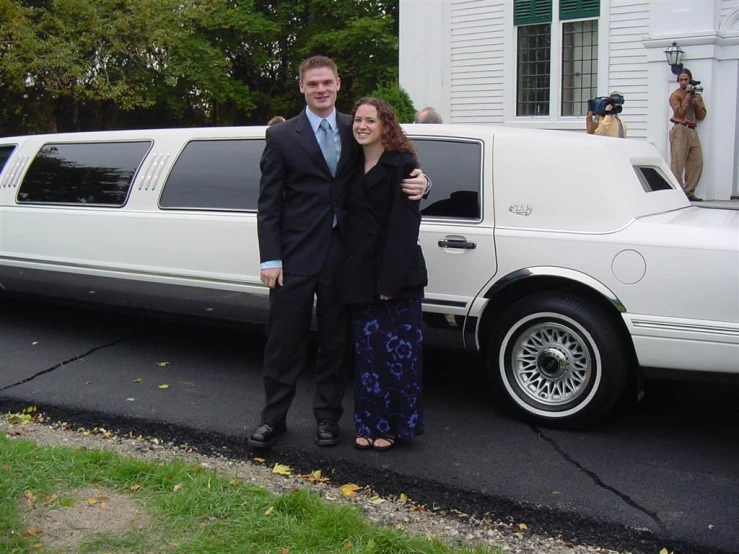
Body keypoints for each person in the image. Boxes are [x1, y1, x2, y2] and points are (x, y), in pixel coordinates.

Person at [250, 56, 429, 449]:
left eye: (327, 82)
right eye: (312, 83)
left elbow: (397, 163)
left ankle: (327, 418)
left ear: (338, 84)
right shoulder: (281, 137)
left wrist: (423, 181)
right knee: (284, 340)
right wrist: (270, 258)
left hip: (345, 258)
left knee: (336, 342)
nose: (320, 89)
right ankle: (273, 419)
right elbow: (269, 204)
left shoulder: (357, 126)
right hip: (294, 258)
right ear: (301, 87)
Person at [343, 97, 427, 452]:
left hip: (397, 278)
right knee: (368, 357)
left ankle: (395, 427)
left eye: (370, 121)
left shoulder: (403, 165)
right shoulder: (349, 163)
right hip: (359, 275)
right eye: (357, 120)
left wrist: (389, 283)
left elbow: (406, 227)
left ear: (385, 126)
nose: (362, 126)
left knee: (398, 359)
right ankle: (369, 423)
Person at [669, 69, 707, 201]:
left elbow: (702, 115)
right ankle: (677, 194)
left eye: (686, 80)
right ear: (678, 81)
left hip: (692, 130)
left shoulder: (697, 96)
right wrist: (687, 96)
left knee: (697, 162)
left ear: (690, 80)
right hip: (680, 128)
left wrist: (695, 101)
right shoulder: (675, 95)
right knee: (677, 162)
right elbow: (679, 113)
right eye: (681, 80)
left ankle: (689, 192)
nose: (684, 82)